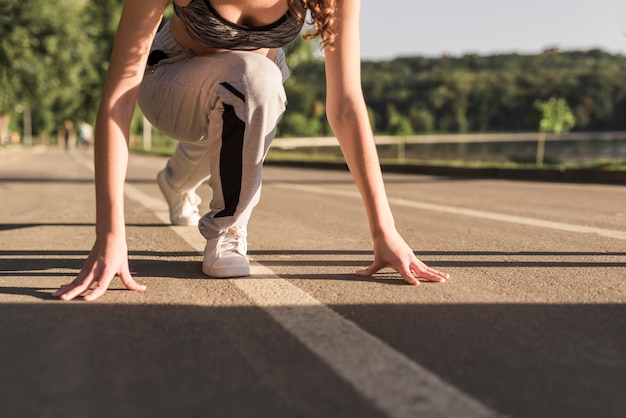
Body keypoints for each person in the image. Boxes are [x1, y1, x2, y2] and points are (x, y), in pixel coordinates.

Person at [53, 0, 449, 301]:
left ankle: (175, 183)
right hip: (168, 81)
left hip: (237, 96)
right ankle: (227, 229)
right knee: (257, 78)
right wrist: (109, 234)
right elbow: (118, 98)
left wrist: (384, 230)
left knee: (252, 89)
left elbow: (345, 103)